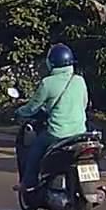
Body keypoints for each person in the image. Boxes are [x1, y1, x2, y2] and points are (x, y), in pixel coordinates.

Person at [15, 43, 89, 192]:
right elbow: (84, 103)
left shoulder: (47, 83)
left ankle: (28, 183)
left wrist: (19, 111)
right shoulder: (79, 80)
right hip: (79, 133)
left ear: (51, 63)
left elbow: (32, 108)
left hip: (57, 134)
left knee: (35, 149)